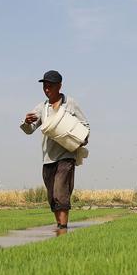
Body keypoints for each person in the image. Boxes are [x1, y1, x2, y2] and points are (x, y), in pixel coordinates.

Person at [20, 70, 89, 233]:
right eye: (45, 85)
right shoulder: (41, 108)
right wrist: (26, 122)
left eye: (50, 85)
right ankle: (59, 226)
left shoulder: (70, 104)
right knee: (52, 196)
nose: (46, 89)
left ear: (59, 86)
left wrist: (83, 140)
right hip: (48, 158)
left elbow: (85, 125)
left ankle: (63, 229)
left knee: (60, 192)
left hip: (66, 155)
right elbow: (29, 130)